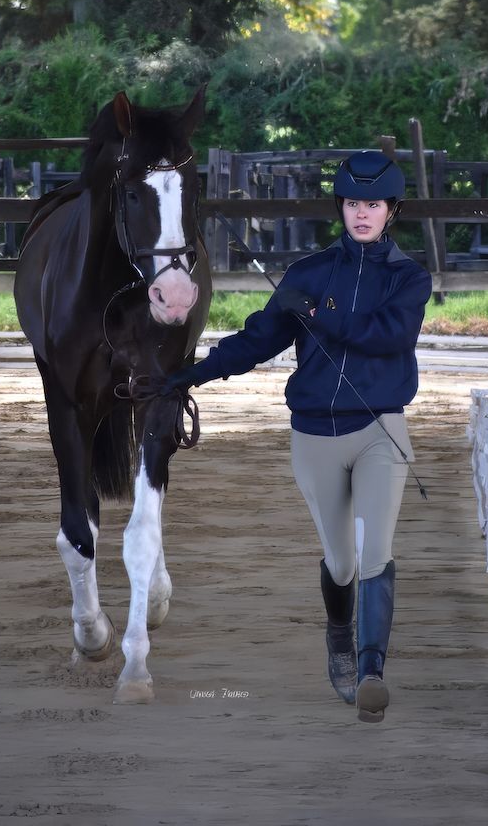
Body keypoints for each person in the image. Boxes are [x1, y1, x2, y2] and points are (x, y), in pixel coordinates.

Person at [167, 150, 433, 722]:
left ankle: (370, 672)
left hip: (381, 430)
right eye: (353, 203)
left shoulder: (409, 277)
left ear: (392, 211)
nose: (363, 214)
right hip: (314, 435)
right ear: (342, 207)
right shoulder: (307, 273)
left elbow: (386, 336)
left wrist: (316, 314)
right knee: (340, 562)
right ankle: (340, 631)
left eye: (375, 205)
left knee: (373, 552)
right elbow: (258, 339)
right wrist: (193, 373)